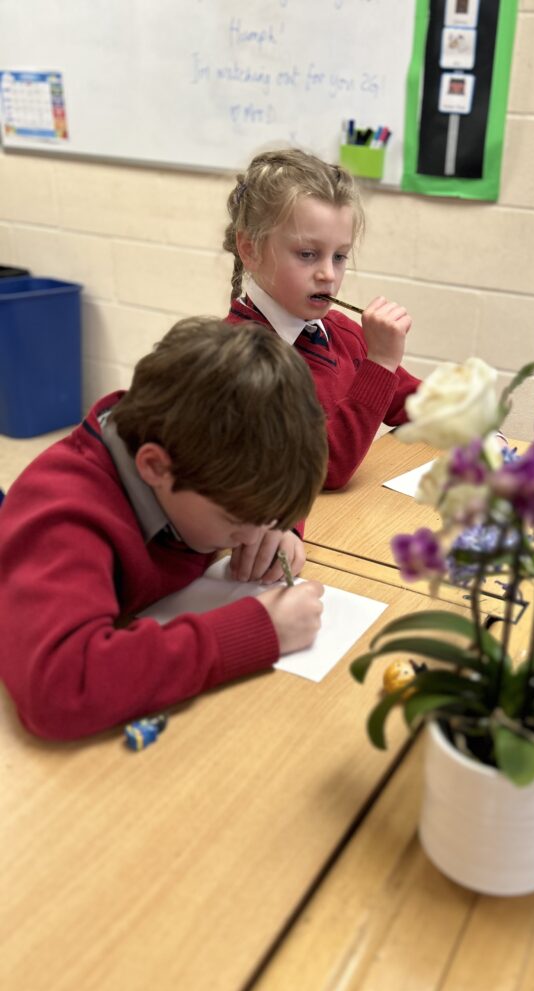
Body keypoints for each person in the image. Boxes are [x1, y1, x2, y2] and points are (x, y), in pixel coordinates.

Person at [0, 318, 328, 741]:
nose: (250, 538)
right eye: (236, 522)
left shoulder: (195, 457)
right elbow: (61, 687)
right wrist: (254, 632)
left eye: (265, 520)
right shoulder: (64, 518)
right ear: (155, 467)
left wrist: (281, 524)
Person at [222, 147, 421, 491]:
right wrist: (381, 363)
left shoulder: (341, 332)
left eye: (340, 256)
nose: (328, 274)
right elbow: (326, 467)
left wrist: (478, 426)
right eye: (307, 254)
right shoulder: (237, 359)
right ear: (250, 249)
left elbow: (415, 402)